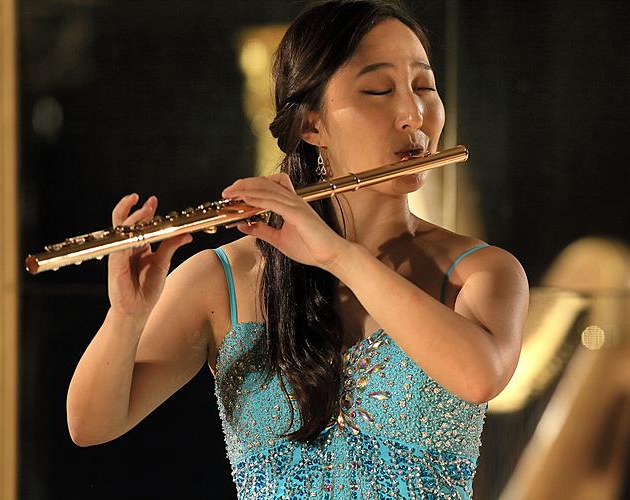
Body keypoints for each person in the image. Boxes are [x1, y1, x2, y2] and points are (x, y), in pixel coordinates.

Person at [66, 0, 529, 498]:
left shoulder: (482, 272)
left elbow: (479, 377)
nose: (412, 114)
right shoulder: (220, 280)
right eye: (378, 89)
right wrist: (127, 315)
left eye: (424, 87)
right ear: (312, 126)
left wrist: (337, 254)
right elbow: (92, 425)